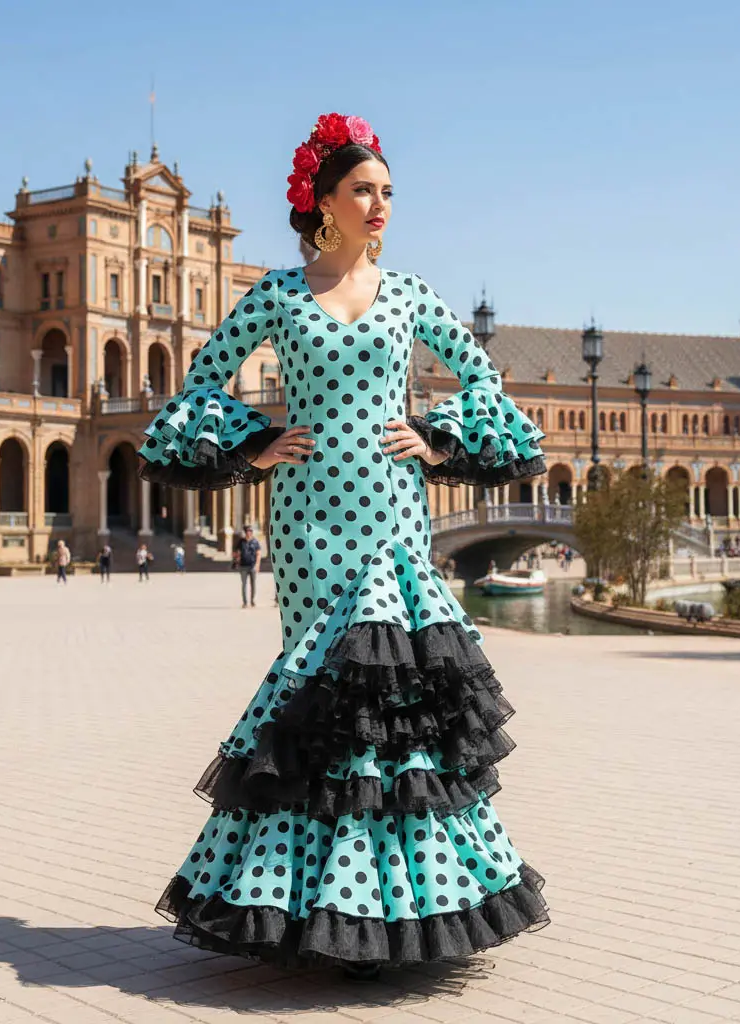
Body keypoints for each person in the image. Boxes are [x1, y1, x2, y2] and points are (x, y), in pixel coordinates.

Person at [137, 113, 549, 975]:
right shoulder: (279, 295)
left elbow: (482, 377)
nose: (380, 203)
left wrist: (434, 438)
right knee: (319, 687)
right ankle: (316, 906)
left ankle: (396, 907)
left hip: (393, 510)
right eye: (364, 189)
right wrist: (257, 444)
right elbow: (203, 380)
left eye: (388, 191)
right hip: (308, 518)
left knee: (395, 690)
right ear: (325, 201)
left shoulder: (409, 294)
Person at [232, 525, 262, 607]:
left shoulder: (255, 542)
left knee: (253, 584)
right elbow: (235, 552)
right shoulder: (241, 541)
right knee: (244, 584)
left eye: (250, 531)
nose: (249, 533)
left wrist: (257, 565)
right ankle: (245, 602)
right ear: (245, 532)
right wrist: (236, 559)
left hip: (252, 566)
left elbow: (258, 554)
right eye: (247, 531)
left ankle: (252, 600)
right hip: (243, 566)